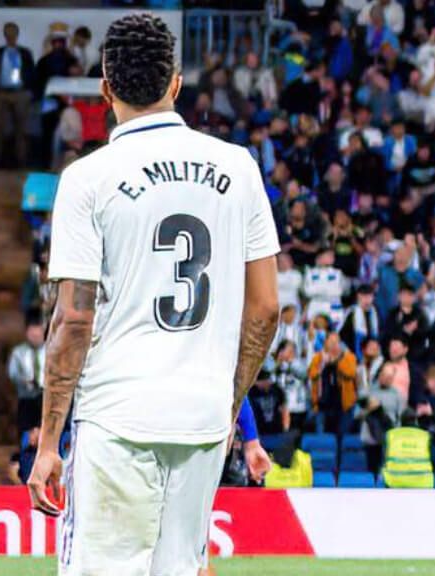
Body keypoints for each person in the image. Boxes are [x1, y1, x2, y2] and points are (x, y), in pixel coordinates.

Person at [25, 14, 281, 576]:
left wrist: (48, 443)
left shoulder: (88, 178)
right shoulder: (239, 168)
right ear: (176, 84)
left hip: (117, 418)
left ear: (106, 89)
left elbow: (73, 320)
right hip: (202, 419)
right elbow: (266, 309)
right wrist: (228, 405)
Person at [0, 21, 35, 168]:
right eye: (8, 33)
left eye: (13, 33)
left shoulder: (25, 53)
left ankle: (22, 162)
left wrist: (30, 92)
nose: (10, 36)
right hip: (1, 92)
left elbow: (32, 74)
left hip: (20, 92)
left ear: (17, 35)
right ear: (4, 35)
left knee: (22, 129)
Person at [8, 314, 45, 433]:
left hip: (46, 400)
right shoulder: (18, 352)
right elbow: (13, 374)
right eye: (32, 334)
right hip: (26, 398)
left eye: (38, 334)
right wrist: (23, 380)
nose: (35, 337)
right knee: (26, 433)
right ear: (26, 332)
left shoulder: (50, 352)